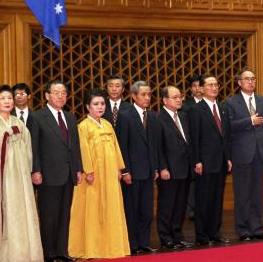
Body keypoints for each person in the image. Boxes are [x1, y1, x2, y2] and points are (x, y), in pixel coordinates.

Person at [68, 89, 130, 259]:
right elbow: (83, 150)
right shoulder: (83, 126)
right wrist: (88, 171)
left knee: (112, 208)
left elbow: (116, 147)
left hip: (110, 175)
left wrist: (119, 168)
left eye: (102, 103)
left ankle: (113, 246)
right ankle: (93, 248)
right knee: (93, 211)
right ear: (87, 106)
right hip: (93, 176)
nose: (100, 107)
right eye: (96, 104)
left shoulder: (108, 125)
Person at [31, 80, 83, 261]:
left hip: (68, 174)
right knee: (48, 216)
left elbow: (74, 146)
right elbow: (34, 147)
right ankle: (49, 253)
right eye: (56, 92)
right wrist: (35, 170)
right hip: (47, 175)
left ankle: (62, 251)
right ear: (47, 95)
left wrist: (78, 169)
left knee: (64, 215)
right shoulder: (37, 117)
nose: (61, 96)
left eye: (64, 93)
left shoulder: (70, 117)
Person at [0, 85, 44, 262]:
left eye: (9, 98)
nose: (7, 101)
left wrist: (30, 171)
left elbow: (29, 149)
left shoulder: (18, 123)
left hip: (20, 178)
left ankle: (24, 254)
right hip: (1, 177)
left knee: (22, 212)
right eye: (2, 98)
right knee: (3, 213)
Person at [226, 69, 263, 241]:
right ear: (239, 82)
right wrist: (249, 121)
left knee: (257, 193)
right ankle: (243, 229)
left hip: (260, 153)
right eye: (247, 79)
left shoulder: (262, 101)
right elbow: (229, 126)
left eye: (253, 79)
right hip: (241, 154)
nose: (251, 82)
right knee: (242, 194)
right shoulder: (231, 103)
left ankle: (257, 228)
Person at [117, 81, 160, 254]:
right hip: (132, 172)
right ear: (134, 96)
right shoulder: (125, 115)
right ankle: (132, 244)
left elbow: (154, 146)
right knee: (132, 209)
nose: (147, 98)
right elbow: (122, 146)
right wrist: (125, 170)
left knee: (146, 210)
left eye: (149, 94)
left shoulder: (152, 116)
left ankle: (144, 242)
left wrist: (155, 168)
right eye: (143, 94)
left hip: (149, 171)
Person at [189, 74, 232, 246]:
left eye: (216, 84)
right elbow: (194, 138)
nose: (214, 88)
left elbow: (226, 136)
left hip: (220, 162)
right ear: (201, 88)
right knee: (203, 200)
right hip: (204, 163)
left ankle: (215, 232)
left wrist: (228, 158)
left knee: (217, 199)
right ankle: (202, 235)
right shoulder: (196, 110)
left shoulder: (222, 108)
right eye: (210, 85)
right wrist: (197, 161)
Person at [157, 86, 194, 249]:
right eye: (175, 97)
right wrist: (162, 168)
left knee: (180, 205)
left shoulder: (184, 116)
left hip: (185, 169)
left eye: (180, 97)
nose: (179, 100)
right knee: (167, 205)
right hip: (169, 170)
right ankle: (166, 238)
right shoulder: (158, 119)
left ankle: (177, 235)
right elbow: (158, 147)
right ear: (165, 100)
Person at [181, 74, 203, 221]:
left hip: (208, 149)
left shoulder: (214, 104)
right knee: (193, 183)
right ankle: (192, 210)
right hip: (191, 148)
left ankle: (203, 209)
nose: (197, 89)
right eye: (194, 86)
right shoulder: (185, 105)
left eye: (199, 85)